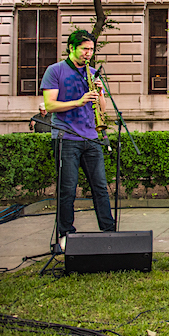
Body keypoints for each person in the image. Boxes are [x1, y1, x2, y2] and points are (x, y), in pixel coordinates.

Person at [41, 29, 116, 250]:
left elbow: (102, 110)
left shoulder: (93, 73)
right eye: (85, 49)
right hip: (66, 137)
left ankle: (108, 231)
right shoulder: (55, 71)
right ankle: (66, 234)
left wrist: (100, 93)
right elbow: (50, 105)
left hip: (91, 137)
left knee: (100, 186)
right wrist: (79, 101)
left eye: (92, 50)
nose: (89, 54)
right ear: (72, 48)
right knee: (68, 188)